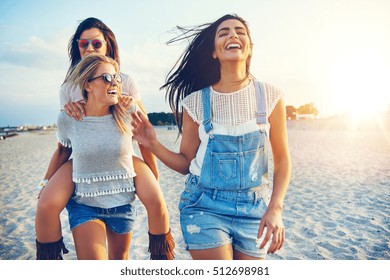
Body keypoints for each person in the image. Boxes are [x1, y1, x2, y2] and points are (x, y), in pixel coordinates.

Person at [131, 14, 291, 260]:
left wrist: (275, 208)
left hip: (254, 208)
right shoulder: (195, 102)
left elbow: (282, 161)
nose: (233, 35)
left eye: (239, 31)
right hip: (204, 206)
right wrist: (152, 143)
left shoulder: (270, 96)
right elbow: (186, 163)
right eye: (224, 32)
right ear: (214, 52)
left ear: (249, 47)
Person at [35, 17, 174, 260]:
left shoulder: (125, 81)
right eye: (83, 44)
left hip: (119, 158)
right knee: (47, 203)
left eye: (96, 44)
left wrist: (153, 173)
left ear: (108, 45)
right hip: (84, 163)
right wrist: (45, 183)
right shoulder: (68, 88)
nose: (89, 49)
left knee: (123, 255)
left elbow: (144, 133)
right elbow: (65, 144)